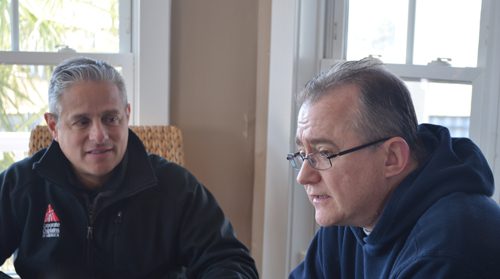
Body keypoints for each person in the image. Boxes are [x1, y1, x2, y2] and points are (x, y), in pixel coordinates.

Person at [0, 57, 258, 278]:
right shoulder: (19, 185)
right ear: (54, 126)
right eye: (82, 121)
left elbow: (231, 262)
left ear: (127, 115)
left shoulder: (175, 187)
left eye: (110, 118)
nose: (99, 135)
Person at [287, 58, 500, 278]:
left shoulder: (448, 248)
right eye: (303, 154)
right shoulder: (350, 215)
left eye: (325, 153)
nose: (304, 177)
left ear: (392, 158)